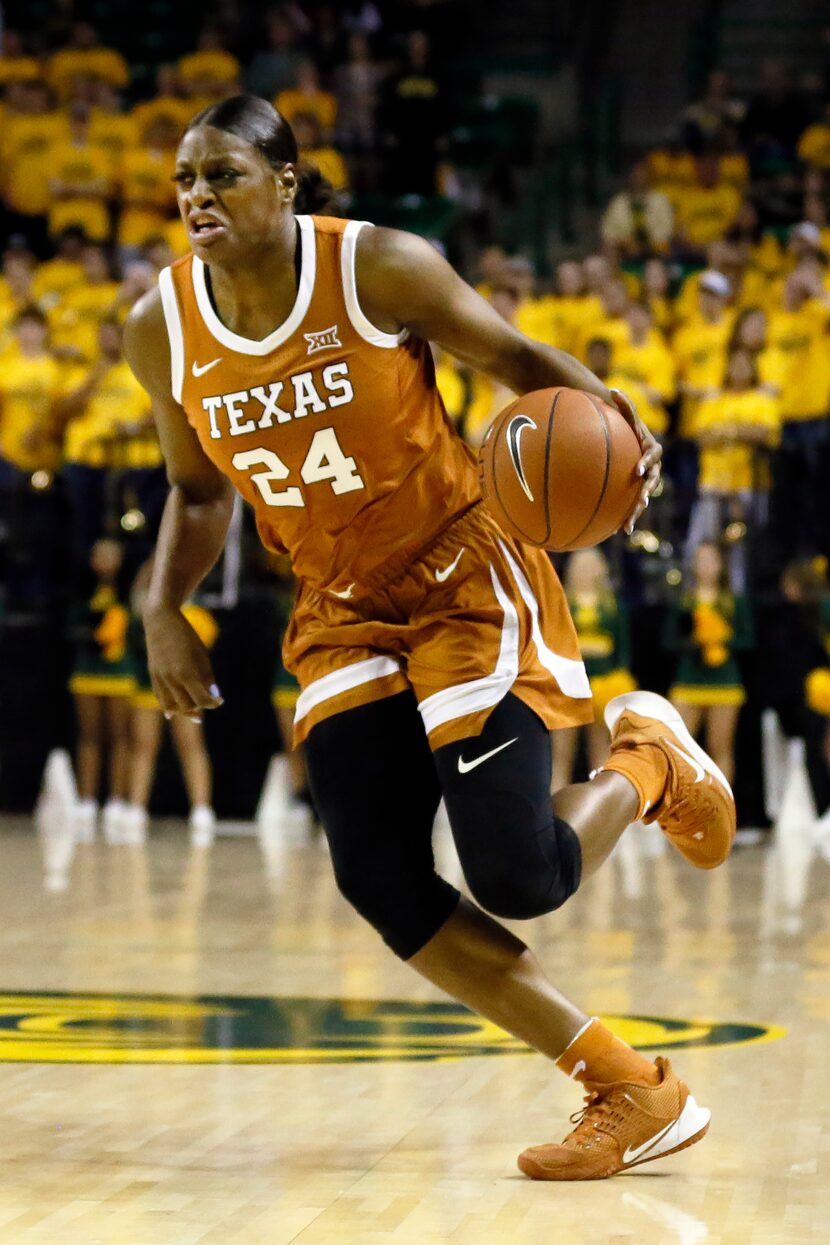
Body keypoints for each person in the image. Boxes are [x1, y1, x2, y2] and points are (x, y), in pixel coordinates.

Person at [123, 96, 734, 1181]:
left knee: (520, 876)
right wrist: (159, 605)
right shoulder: (157, 325)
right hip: (338, 606)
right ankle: (628, 1086)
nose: (196, 196)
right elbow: (194, 489)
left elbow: (511, 355)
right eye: (185, 178)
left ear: (286, 181)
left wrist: (621, 433)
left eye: (220, 173)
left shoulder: (377, 268)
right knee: (381, 879)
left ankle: (645, 761)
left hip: (461, 576)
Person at [124, 559, 217, 846]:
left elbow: (205, 640)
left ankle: (202, 809)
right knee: (143, 745)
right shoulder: (143, 606)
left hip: (185, 687)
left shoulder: (191, 604)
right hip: (149, 684)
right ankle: (136, 808)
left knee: (191, 744)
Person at [688, 347, 780, 592]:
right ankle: (701, 599)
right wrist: (742, 431)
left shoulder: (762, 399)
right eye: (734, 363)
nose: (739, 369)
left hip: (748, 484)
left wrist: (726, 431)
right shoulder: (714, 399)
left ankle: (739, 601)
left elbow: (765, 434)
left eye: (745, 364)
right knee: (702, 545)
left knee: (742, 550)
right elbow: (702, 436)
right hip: (713, 484)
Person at [665, 542, 752, 786]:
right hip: (688, 679)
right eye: (700, 560)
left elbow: (749, 640)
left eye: (711, 560)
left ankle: (721, 811)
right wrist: (694, 641)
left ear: (721, 565)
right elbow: (669, 641)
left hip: (724, 681)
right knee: (679, 746)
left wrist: (722, 639)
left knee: (720, 747)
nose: (705, 566)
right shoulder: (684, 602)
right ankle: (681, 811)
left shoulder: (734, 602)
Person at [68, 538, 135, 842]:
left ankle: (117, 799)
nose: (105, 560)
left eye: (112, 554)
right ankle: (86, 799)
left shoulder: (130, 592)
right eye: (99, 554)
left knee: (120, 736)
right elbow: (70, 625)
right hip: (87, 671)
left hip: (120, 673)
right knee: (90, 736)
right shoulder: (80, 591)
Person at [554, 550, 633, 792]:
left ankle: (598, 813)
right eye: (580, 566)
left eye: (591, 566)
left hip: (602, 687)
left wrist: (616, 682)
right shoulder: (561, 605)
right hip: (568, 686)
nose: (585, 571)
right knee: (561, 755)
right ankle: (552, 811)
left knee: (601, 752)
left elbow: (624, 652)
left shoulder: (612, 606)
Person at [600, 160, 674, 258]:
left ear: (650, 176)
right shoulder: (619, 202)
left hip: (653, 251)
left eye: (642, 173)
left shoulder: (661, 201)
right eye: (635, 174)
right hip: (623, 249)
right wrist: (626, 243)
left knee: (662, 249)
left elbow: (666, 232)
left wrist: (644, 247)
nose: (639, 177)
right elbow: (608, 232)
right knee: (608, 248)